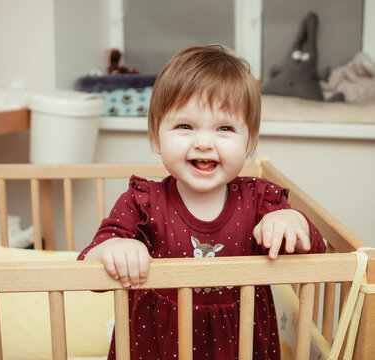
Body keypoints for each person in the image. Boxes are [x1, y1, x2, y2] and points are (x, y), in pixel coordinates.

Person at [77, 45, 326, 360]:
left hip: (242, 347)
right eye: (185, 126)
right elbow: (90, 263)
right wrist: (115, 249)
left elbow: (315, 252)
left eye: (225, 128)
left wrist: (292, 223)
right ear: (156, 136)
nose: (204, 142)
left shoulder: (261, 201)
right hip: (156, 346)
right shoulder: (142, 203)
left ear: (248, 143)